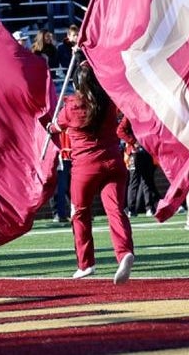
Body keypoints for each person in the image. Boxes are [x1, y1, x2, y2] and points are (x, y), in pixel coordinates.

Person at [52, 58, 135, 284]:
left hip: (85, 167)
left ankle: (86, 263)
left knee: (79, 213)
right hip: (113, 161)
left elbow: (57, 126)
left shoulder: (72, 106)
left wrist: (51, 127)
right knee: (116, 210)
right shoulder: (108, 100)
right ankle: (124, 252)